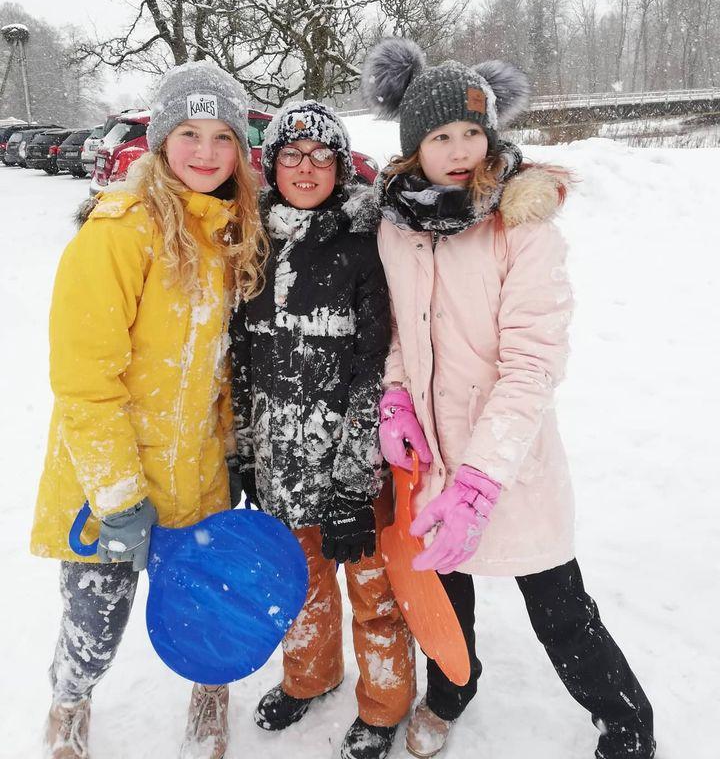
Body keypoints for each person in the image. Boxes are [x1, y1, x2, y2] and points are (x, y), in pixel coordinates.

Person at [361, 38, 656, 759]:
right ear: (414, 145)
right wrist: (396, 396)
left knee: (559, 609)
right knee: (444, 596)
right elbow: (399, 330)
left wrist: (482, 480)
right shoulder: (397, 227)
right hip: (432, 460)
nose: (461, 149)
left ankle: (626, 724)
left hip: (509, 463)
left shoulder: (521, 225)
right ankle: (451, 692)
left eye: (473, 131)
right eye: (441, 136)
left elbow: (533, 365)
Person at [31, 62, 267, 759]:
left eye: (223, 137)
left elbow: (222, 367)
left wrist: (235, 451)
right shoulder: (120, 230)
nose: (206, 152)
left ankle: (210, 691)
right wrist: (117, 495)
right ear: (161, 139)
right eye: (189, 133)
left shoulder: (232, 230)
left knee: (206, 608)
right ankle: (69, 700)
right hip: (108, 480)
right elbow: (84, 378)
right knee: (95, 623)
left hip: (197, 471)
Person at [229, 101, 415, 759]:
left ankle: (385, 705)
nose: (305, 168)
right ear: (271, 164)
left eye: (321, 156)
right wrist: (244, 455)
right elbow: (242, 362)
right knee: (300, 586)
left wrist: (353, 485)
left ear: (341, 166)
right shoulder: (253, 244)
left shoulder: (364, 248)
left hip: (350, 470)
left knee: (374, 595)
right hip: (280, 464)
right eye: (291, 154)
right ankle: (310, 677)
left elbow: (374, 372)